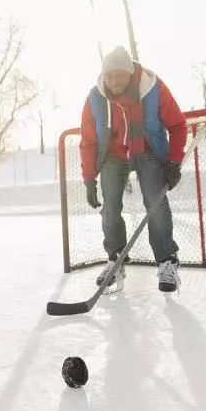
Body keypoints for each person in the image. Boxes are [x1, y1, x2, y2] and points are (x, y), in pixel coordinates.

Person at [79, 46, 187, 293]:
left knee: (156, 202)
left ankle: (167, 262)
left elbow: (178, 126)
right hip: (114, 155)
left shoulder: (152, 88)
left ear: (130, 74)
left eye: (119, 75)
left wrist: (173, 161)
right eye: (109, 76)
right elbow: (88, 142)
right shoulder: (95, 98)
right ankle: (115, 260)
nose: (114, 81)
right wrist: (88, 179)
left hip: (146, 149)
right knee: (110, 207)